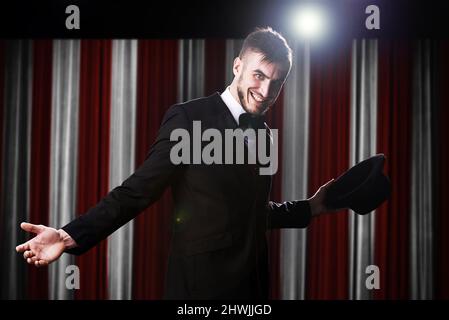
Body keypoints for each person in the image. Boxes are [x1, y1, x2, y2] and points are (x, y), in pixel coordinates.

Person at [16, 27, 340, 299]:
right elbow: (138, 191)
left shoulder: (265, 135)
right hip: (199, 290)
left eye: (277, 82)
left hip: (253, 289)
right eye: (259, 75)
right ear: (237, 65)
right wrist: (69, 235)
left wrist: (310, 207)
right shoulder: (189, 117)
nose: (266, 90)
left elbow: (251, 213)